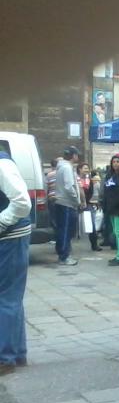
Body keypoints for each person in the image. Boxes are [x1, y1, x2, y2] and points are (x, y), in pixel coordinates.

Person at [0, 148, 32, 375]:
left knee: (6, 297)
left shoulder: (2, 164)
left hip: (10, 237)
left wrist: (1, 223)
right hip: (10, 235)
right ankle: (15, 354)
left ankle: (6, 357)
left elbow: (22, 202)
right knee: (10, 296)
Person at [53, 146, 81, 265]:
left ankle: (63, 254)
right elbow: (69, 186)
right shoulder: (67, 168)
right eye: (77, 155)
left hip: (61, 202)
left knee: (62, 229)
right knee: (66, 231)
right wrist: (76, 199)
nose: (78, 157)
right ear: (73, 156)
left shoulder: (60, 167)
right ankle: (64, 256)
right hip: (67, 203)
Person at [78, 163, 101, 251]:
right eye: (85, 168)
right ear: (80, 169)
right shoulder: (76, 179)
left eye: (87, 168)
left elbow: (91, 191)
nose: (86, 170)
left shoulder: (89, 180)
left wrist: (86, 202)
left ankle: (94, 245)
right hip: (76, 204)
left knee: (91, 225)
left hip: (87, 204)